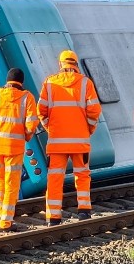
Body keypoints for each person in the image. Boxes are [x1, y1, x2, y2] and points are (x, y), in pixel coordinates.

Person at [38, 49, 101, 226]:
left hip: (57, 142)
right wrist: (88, 128)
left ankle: (54, 217)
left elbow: (41, 110)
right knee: (82, 175)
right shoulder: (85, 83)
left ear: (60, 65)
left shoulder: (49, 83)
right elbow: (94, 110)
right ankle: (84, 211)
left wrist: (50, 128)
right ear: (76, 65)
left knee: (55, 178)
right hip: (80, 141)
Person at [0, 68, 39, 230]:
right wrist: (25, 136)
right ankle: (6, 221)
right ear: (21, 82)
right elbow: (32, 123)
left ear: (7, 80)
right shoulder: (27, 98)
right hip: (15, 148)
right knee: (12, 184)